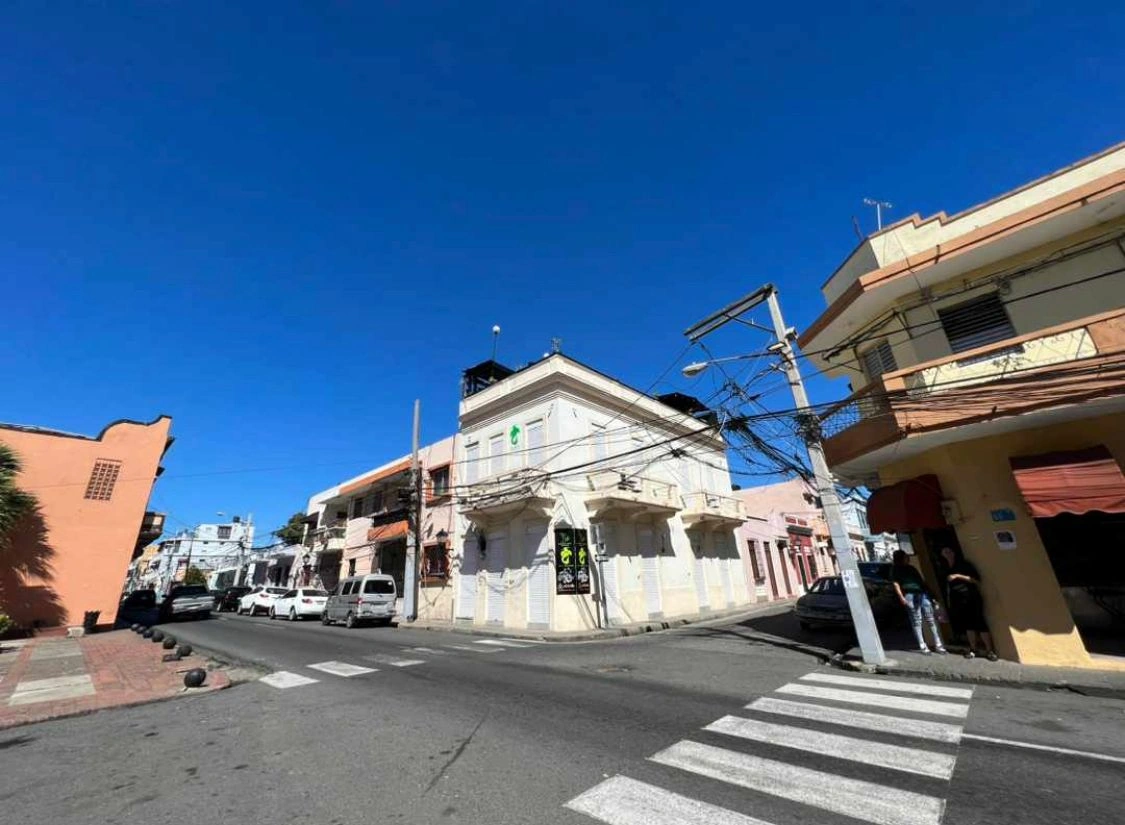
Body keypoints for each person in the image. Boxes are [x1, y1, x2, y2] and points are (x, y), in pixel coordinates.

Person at [939, 546, 999, 661]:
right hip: (958, 599)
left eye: (949, 551)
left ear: (954, 552)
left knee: (980, 622)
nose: (947, 554)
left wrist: (958, 576)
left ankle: (989, 650)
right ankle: (973, 649)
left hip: (971, 596)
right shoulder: (945, 567)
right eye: (944, 552)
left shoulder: (964, 564)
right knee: (968, 625)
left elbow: (976, 580)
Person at [891, 550, 947, 655]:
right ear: (901, 558)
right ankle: (923, 646)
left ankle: (938, 644)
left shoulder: (912, 568)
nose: (908, 558)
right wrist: (901, 597)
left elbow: (921, 582)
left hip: (922, 594)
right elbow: (896, 584)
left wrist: (931, 595)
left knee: (930, 619)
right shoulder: (896, 569)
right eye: (906, 556)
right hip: (909, 595)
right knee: (917, 621)